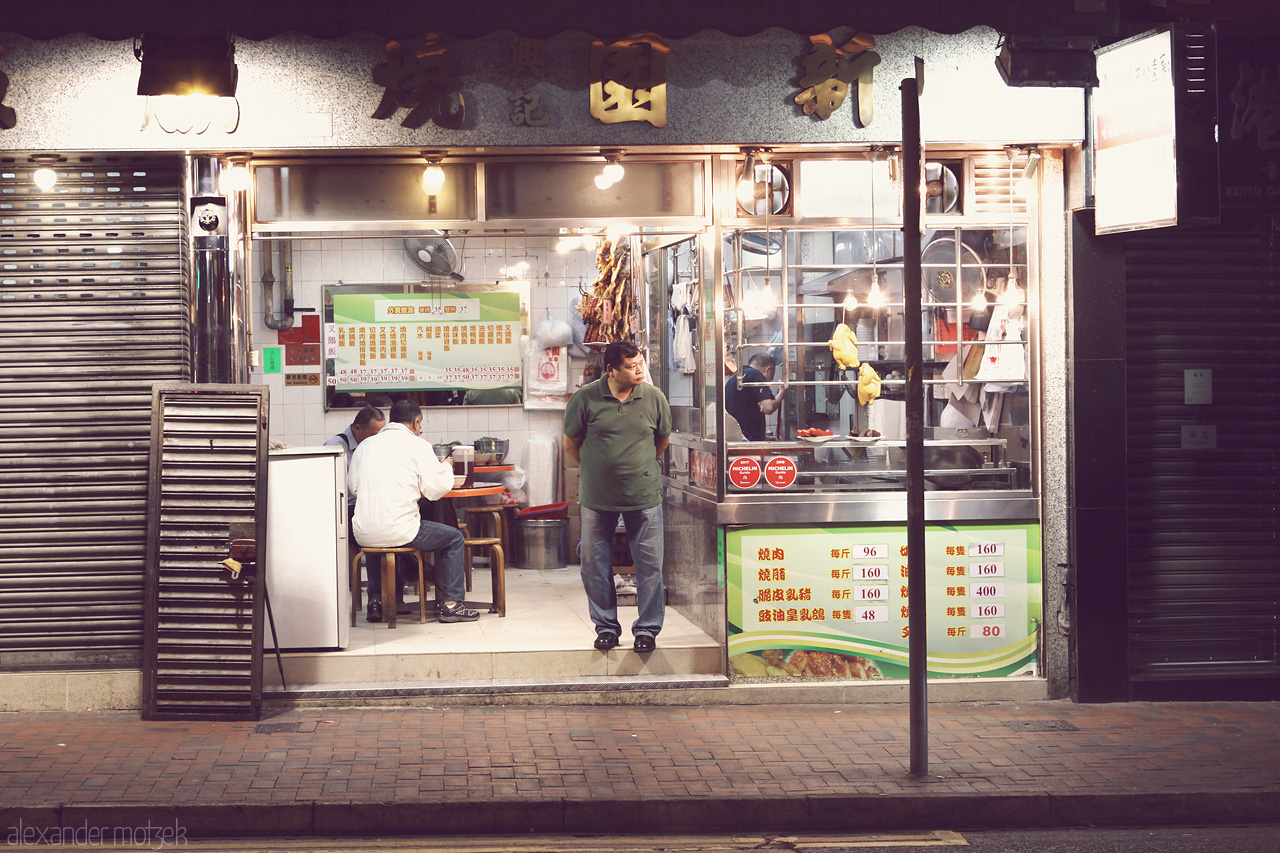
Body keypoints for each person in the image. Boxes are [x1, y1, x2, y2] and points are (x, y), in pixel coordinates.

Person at [562, 341, 671, 654]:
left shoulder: (653, 397)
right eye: (630, 366)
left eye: (640, 363)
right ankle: (606, 628)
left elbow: (661, 440)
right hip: (598, 498)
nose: (639, 370)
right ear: (610, 370)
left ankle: (647, 631)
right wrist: (598, 469)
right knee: (593, 565)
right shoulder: (585, 398)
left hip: (644, 495)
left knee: (650, 566)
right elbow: (572, 443)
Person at [348, 399, 479, 624]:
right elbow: (435, 489)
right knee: (454, 538)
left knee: (375, 538)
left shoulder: (365, 446)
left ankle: (376, 603)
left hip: (363, 532)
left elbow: (354, 487)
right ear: (416, 422)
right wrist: (446, 466)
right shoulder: (418, 445)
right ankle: (452, 605)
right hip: (402, 530)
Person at [724, 353, 787, 441]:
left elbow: (742, 412)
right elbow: (768, 407)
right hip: (746, 443)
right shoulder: (755, 374)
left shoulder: (736, 378)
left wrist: (764, 437)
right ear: (768, 370)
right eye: (770, 378)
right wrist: (781, 393)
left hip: (737, 440)